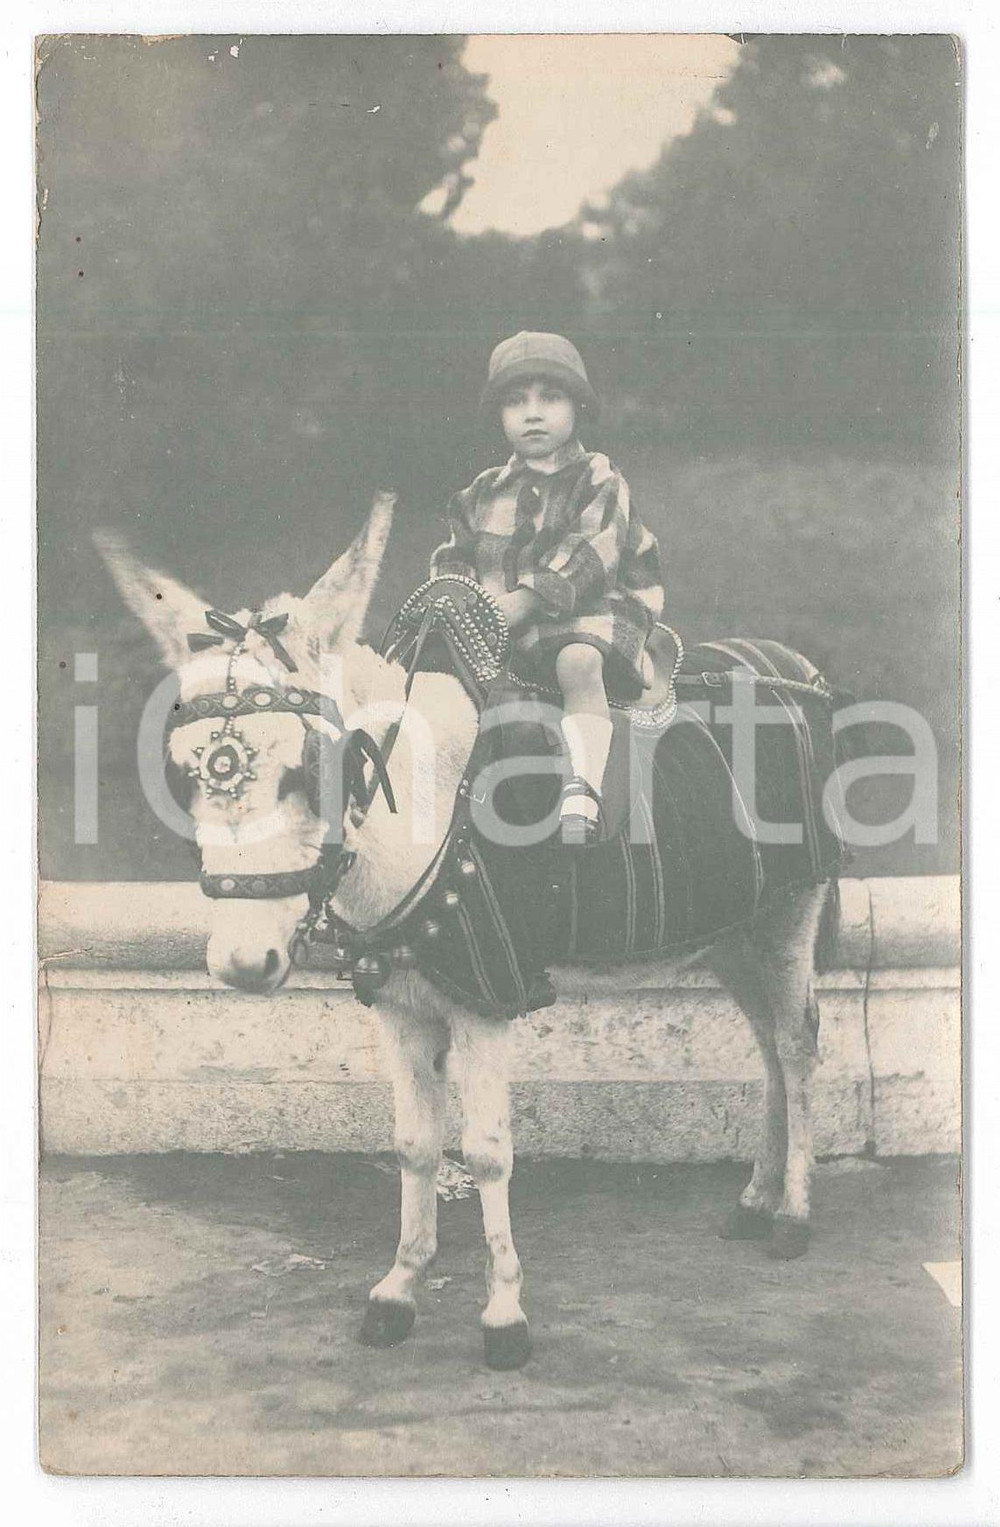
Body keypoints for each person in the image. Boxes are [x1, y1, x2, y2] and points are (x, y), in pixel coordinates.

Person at [431, 331, 665, 845]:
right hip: (502, 630)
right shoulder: (480, 493)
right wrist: (452, 598)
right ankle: (450, 797)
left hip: (589, 611)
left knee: (576, 663)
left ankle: (583, 785)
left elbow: (591, 553)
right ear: (499, 416)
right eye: (516, 402)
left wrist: (520, 602)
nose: (532, 414)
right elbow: (453, 559)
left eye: (549, 398)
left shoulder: (598, 478)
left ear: (578, 407)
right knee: (444, 685)